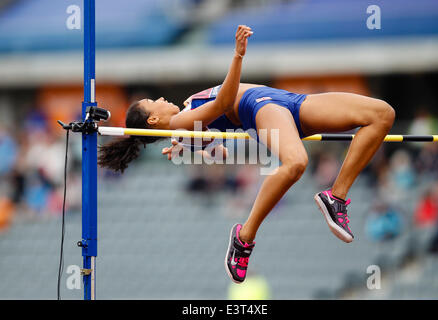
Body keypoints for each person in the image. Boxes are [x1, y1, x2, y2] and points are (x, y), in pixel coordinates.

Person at [98, 25, 396, 284]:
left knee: (382, 114)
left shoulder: (185, 122)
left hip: (287, 101)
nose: (161, 98)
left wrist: (195, 146)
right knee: (297, 163)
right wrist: (238, 55)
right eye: (154, 101)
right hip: (260, 104)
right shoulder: (178, 123)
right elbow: (225, 101)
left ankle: (336, 197)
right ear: (152, 120)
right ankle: (244, 237)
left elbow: (219, 147)